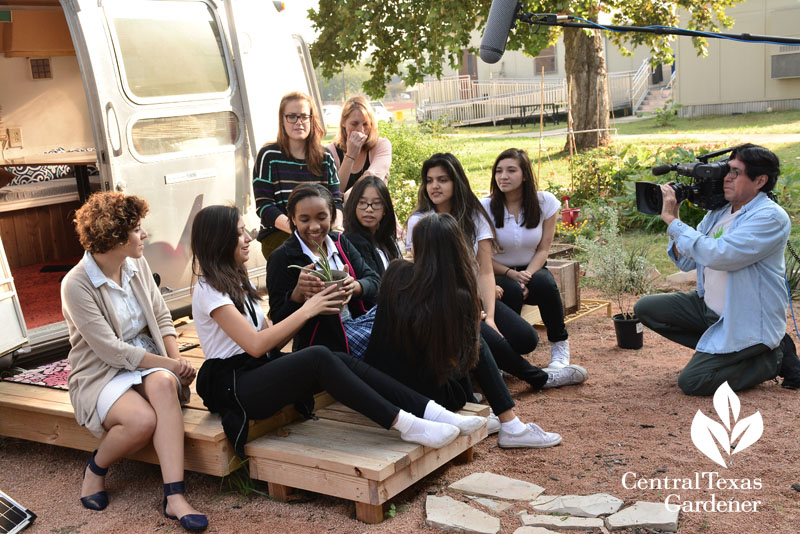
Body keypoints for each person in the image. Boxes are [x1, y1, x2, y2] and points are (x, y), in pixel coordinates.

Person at [189, 205, 486, 458]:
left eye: (245, 230)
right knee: (318, 356)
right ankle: (408, 425)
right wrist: (309, 307)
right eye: (239, 233)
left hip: (256, 370)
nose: (248, 238)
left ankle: (434, 413)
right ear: (217, 240)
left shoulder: (238, 281)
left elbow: (269, 337)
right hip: (231, 385)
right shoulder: (208, 290)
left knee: (335, 356)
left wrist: (301, 299)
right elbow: (255, 345)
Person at [62, 192, 207, 531]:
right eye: (137, 230)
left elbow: (161, 314)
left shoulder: (137, 264)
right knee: (141, 421)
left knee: (162, 384)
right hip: (101, 371)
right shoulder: (75, 284)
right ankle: (96, 469)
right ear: (113, 236)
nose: (144, 236)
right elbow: (111, 351)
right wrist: (171, 365)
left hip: (147, 358)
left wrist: (176, 363)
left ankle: (174, 497)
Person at [366, 213, 562, 448]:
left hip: (382, 386)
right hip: (430, 399)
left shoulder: (395, 273)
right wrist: (466, 322)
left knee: (470, 332)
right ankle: (511, 424)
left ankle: (499, 414)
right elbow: (464, 358)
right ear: (456, 248)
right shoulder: (456, 292)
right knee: (476, 337)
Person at [406, 153, 587, 391]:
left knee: (526, 339)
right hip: (441, 302)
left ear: (456, 182)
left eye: (442, 179)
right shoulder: (420, 220)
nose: (434, 186)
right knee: (475, 330)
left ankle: (492, 362)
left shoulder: (473, 216)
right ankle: (539, 378)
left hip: (473, 296)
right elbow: (422, 272)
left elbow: (484, 271)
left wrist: (489, 315)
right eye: (429, 181)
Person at [634, 143, 800, 395]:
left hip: (746, 316)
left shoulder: (770, 217)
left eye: (735, 172)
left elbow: (720, 256)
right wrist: (675, 217)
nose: (726, 178)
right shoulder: (720, 212)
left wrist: (672, 222)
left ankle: (772, 358)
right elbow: (688, 261)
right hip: (710, 308)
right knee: (647, 309)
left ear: (760, 180)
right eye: (726, 171)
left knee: (694, 381)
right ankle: (726, 352)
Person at [482, 148, 574, 370]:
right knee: (510, 290)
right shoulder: (484, 206)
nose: (503, 176)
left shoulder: (545, 203)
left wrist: (526, 276)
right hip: (496, 271)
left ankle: (559, 344)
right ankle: (506, 353)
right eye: (499, 171)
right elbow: (481, 258)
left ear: (525, 175)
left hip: (531, 268)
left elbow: (544, 249)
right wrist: (512, 276)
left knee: (545, 282)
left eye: (511, 170)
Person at [267, 184, 380, 352]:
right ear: (293, 219)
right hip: (323, 346)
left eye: (321, 217)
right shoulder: (282, 258)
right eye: (305, 219)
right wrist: (298, 295)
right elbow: (278, 320)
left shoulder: (340, 242)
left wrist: (354, 287)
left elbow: (374, 280)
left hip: (358, 324)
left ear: (332, 216)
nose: (314, 227)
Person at [253, 91, 344, 260]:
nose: (298, 122)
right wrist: (301, 231)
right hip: (280, 233)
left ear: (312, 119)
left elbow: (336, 202)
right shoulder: (269, 155)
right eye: (292, 116)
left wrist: (335, 230)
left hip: (321, 233)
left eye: (303, 116)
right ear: (282, 120)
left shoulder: (325, 158)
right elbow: (264, 207)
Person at [326, 96, 392, 195]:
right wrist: (350, 155)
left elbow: (370, 180)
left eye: (365, 124)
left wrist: (345, 199)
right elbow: (334, 191)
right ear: (344, 123)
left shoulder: (381, 145)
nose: (361, 130)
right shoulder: (331, 151)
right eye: (354, 124)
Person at [342, 174, 401, 275]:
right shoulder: (351, 241)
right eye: (362, 202)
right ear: (353, 205)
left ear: (385, 209)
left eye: (376, 203)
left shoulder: (387, 240)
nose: (369, 209)